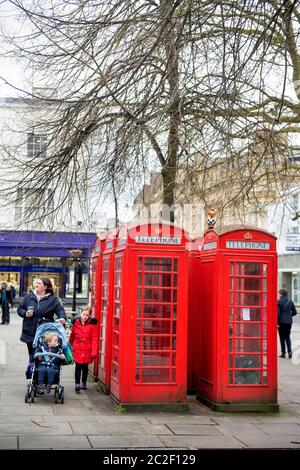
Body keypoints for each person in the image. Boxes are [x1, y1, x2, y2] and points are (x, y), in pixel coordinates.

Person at [17, 277, 67, 362]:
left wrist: (62, 318)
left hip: (45, 331)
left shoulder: (53, 299)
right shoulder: (29, 297)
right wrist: (25, 313)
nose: (36, 284)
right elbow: (20, 309)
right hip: (30, 330)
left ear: (45, 287)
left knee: (43, 353)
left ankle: (41, 371)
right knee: (32, 354)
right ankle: (31, 371)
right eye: (36, 283)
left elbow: (60, 310)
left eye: (39, 283)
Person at [69, 306, 98, 392]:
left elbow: (95, 339)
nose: (85, 317)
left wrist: (94, 352)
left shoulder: (92, 325)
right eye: (83, 314)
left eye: (87, 315)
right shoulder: (75, 324)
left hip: (87, 350)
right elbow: (72, 337)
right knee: (78, 366)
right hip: (77, 349)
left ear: (90, 316)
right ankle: (77, 383)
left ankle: (83, 382)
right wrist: (68, 348)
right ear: (80, 313)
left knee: (85, 367)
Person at [278, 288, 297, 358]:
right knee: (287, 336)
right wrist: (289, 316)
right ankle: (290, 352)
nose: (278, 294)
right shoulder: (290, 301)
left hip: (281, 322)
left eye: (279, 293)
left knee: (282, 337)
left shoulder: (279, 302)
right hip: (289, 322)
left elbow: (278, 314)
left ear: (281, 294)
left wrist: (277, 322)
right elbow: (295, 312)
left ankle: (283, 353)